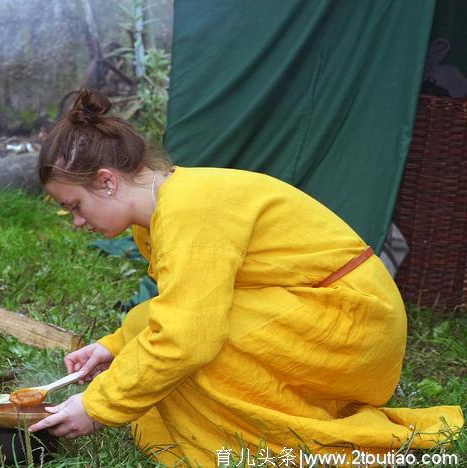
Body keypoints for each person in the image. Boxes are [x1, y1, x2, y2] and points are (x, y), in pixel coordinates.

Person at [29, 89, 463, 466]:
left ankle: (269, 444)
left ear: (105, 182)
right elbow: (181, 307)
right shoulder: (165, 211)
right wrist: (113, 347)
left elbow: (186, 339)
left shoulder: (189, 208)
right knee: (179, 328)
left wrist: (97, 406)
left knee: (196, 348)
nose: (77, 222)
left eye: (75, 206)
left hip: (352, 326)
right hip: (321, 315)